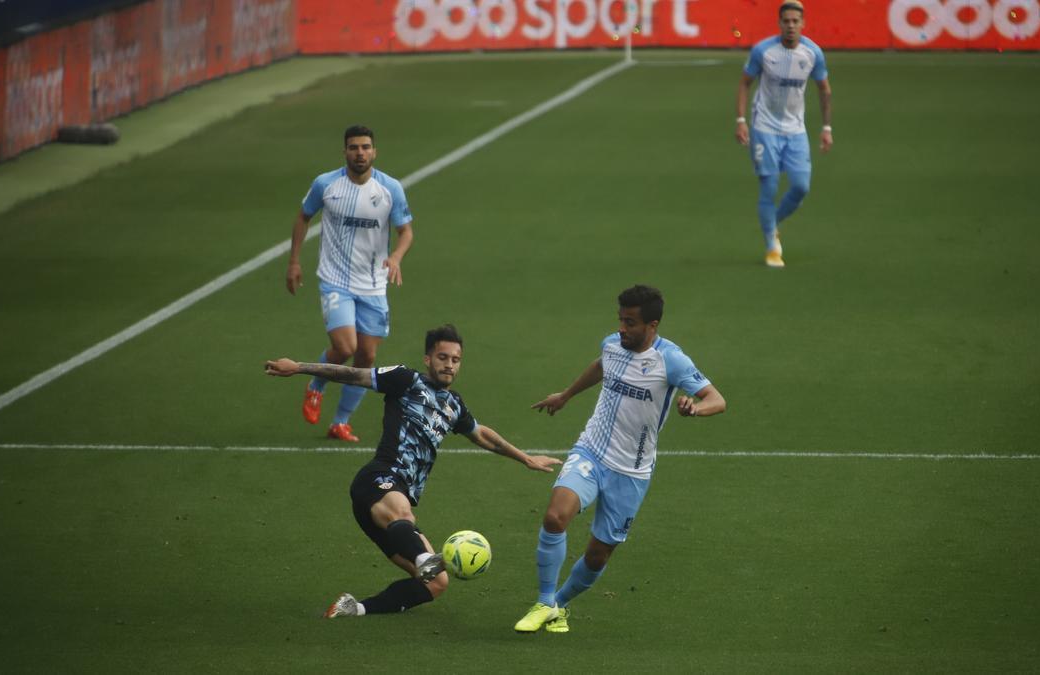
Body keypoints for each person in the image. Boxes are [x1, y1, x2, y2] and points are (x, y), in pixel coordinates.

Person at [264, 324, 562, 617]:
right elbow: (354, 375)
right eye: (443, 357)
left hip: (395, 515)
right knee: (406, 516)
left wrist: (525, 458)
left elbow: (481, 434)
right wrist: (300, 368)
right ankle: (423, 558)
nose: (449, 365)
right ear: (428, 359)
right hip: (378, 482)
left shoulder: (453, 405)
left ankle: (355, 609)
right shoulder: (405, 379)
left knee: (437, 583)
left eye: (455, 360)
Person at [513, 285, 726, 634]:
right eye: (620, 320)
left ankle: (560, 606)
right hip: (592, 451)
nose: (622, 329)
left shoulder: (671, 360)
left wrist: (695, 408)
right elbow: (601, 366)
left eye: (630, 323)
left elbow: (717, 399)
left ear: (652, 325)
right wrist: (566, 395)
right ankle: (543, 600)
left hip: (632, 471)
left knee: (598, 556)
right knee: (555, 516)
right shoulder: (612, 343)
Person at [285, 124, 414, 442]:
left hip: (372, 285)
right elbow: (304, 216)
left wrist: (395, 257)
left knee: (367, 359)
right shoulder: (326, 184)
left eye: (366, 147)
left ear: (375, 152)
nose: (360, 153)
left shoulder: (390, 189)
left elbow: (406, 231)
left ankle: (340, 422)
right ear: (345, 151)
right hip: (335, 280)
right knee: (345, 346)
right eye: (354, 147)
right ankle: (316, 383)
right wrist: (294, 261)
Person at [735, 1, 833, 268]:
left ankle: (772, 223)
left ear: (803, 24)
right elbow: (745, 84)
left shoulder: (813, 53)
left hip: (795, 129)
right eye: (786, 21)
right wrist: (741, 120)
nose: (791, 25)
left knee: (801, 186)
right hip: (764, 128)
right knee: (769, 185)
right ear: (779, 24)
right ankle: (771, 247)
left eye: (795, 21)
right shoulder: (763, 51)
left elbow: (824, 89)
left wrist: (826, 128)